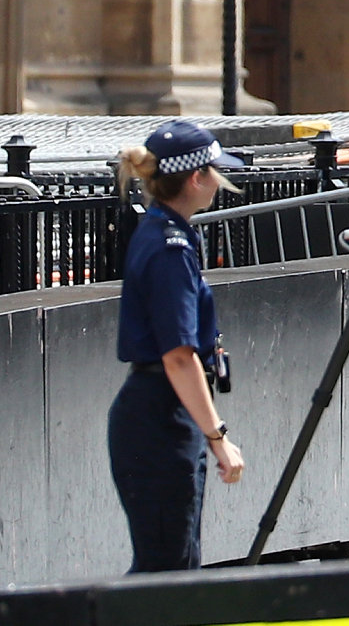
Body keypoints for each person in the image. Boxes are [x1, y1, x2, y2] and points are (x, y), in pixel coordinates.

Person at [110, 119, 249, 573]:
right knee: (167, 570)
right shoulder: (169, 247)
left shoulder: (165, 233)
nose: (218, 182)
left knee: (173, 564)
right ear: (196, 178)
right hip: (160, 419)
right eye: (214, 172)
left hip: (160, 415)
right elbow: (178, 355)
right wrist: (218, 437)